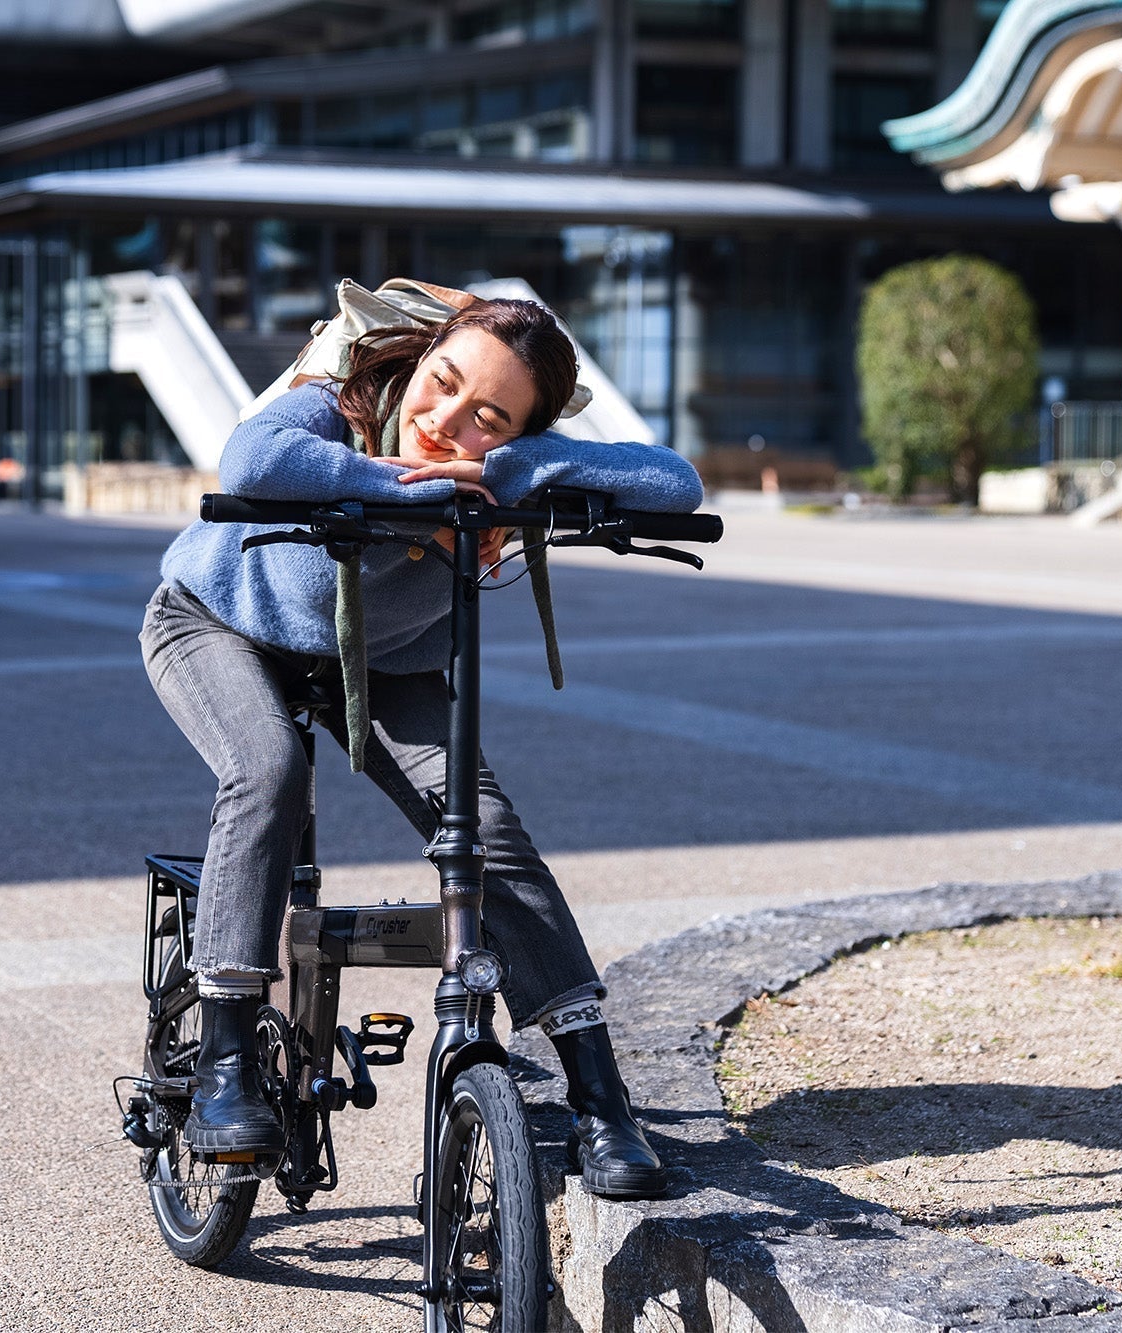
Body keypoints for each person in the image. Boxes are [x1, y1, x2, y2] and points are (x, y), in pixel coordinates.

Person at [138, 296, 702, 1199]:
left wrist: (522, 466)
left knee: (485, 828)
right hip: (217, 623)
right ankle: (224, 1061)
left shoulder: (505, 468)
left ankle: (600, 1098)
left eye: (490, 416)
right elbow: (252, 457)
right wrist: (412, 483)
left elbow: (676, 482)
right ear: (424, 356)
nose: (447, 422)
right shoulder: (344, 393)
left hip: (383, 662)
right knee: (268, 771)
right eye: (446, 383)